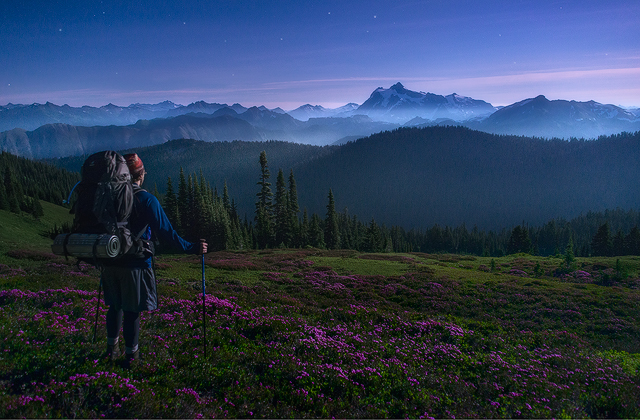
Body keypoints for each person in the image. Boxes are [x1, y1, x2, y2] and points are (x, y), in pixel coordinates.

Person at [102, 153, 207, 364]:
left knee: (115, 306)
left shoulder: (109, 196)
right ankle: (132, 357)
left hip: (109, 261)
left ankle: (111, 351)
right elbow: (168, 234)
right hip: (136, 263)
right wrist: (193, 248)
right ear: (140, 175)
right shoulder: (147, 199)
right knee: (132, 310)